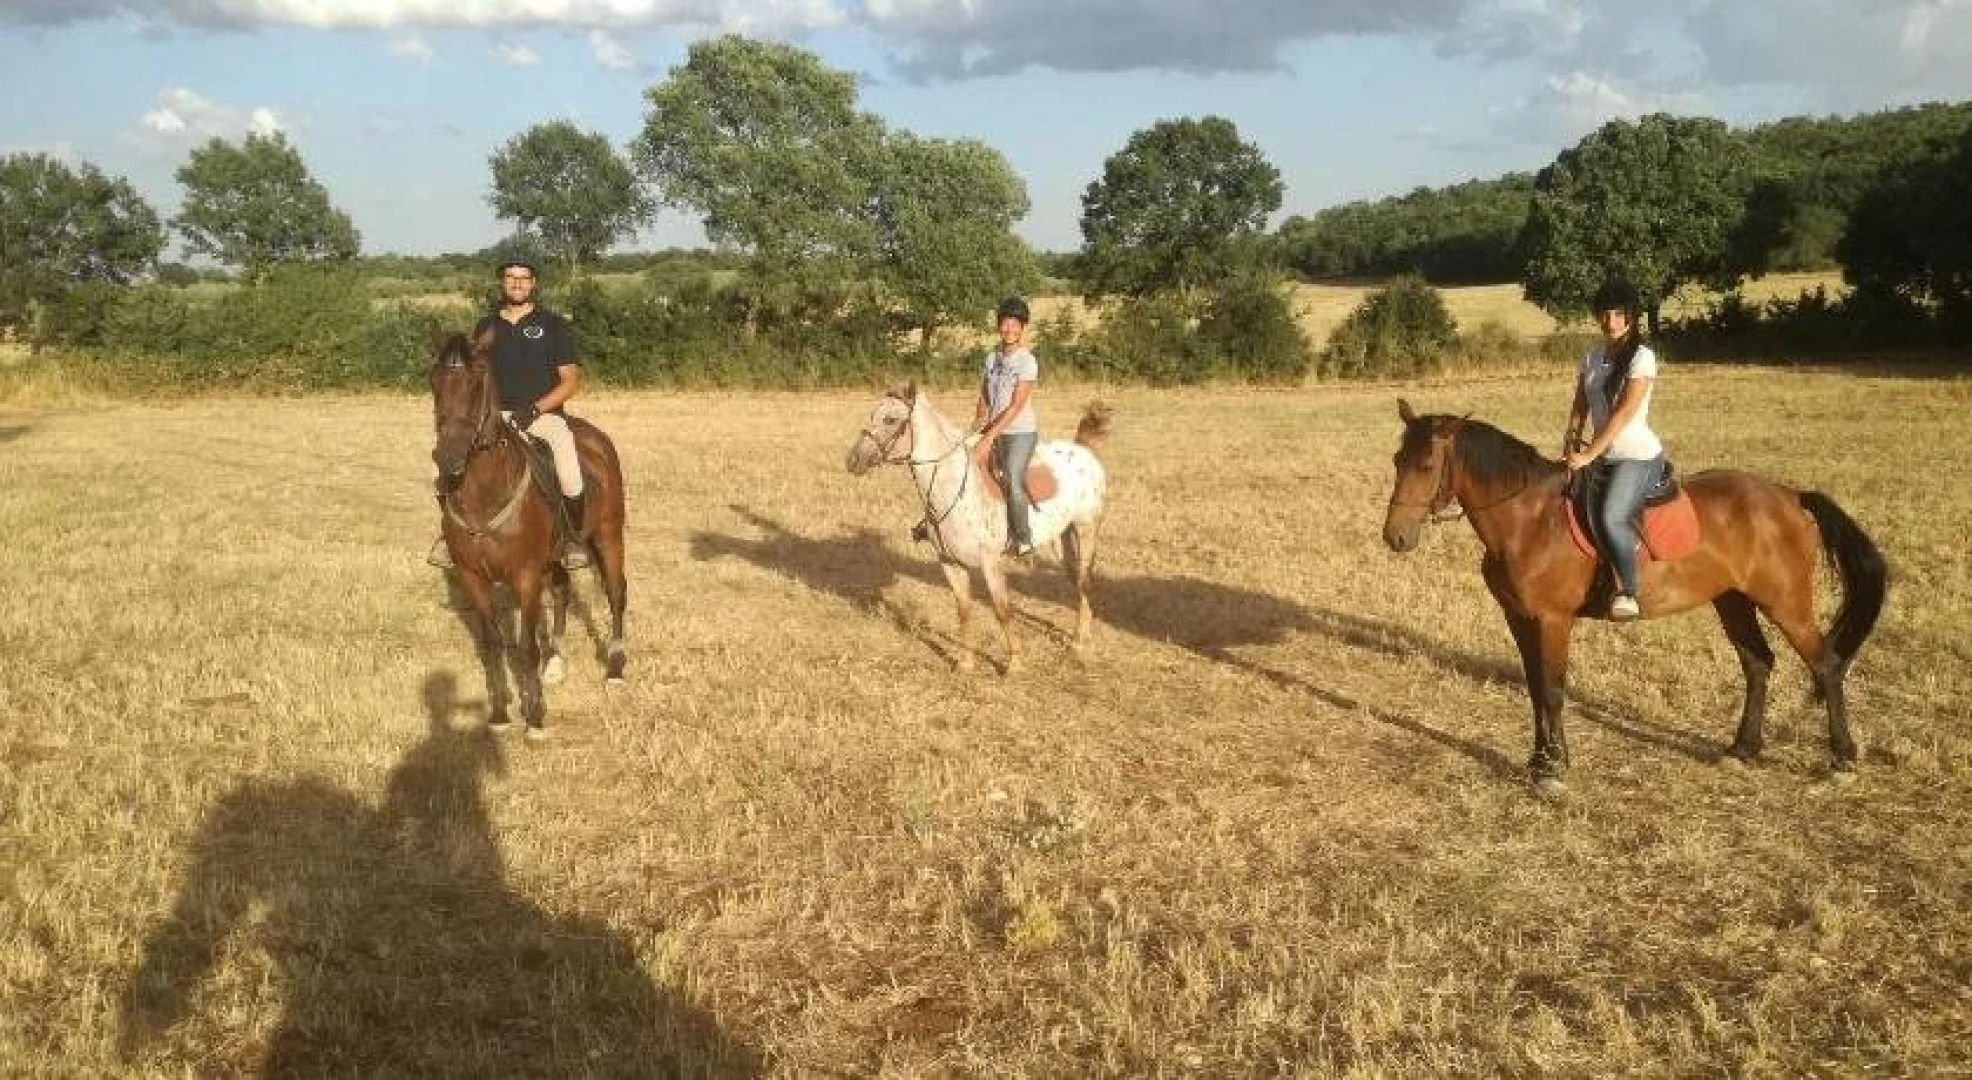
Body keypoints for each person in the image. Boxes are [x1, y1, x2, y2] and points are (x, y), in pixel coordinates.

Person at [428, 259, 589, 570]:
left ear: (533, 283)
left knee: (568, 469)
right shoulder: (485, 327)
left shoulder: (553, 325)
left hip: (543, 416)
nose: (517, 283)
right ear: (502, 283)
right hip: (494, 418)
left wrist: (535, 409)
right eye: (510, 277)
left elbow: (570, 381)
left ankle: (573, 538)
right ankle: (450, 536)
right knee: (440, 466)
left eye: (524, 278)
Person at [1562, 278, 1666, 623]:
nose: (1611, 321)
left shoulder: (1643, 358)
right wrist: (1570, 442)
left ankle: (1628, 591)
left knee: (1611, 515)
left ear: (1631, 316)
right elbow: (1580, 407)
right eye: (1605, 314)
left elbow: (1623, 415)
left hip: (1637, 456)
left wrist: (1589, 455)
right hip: (1601, 453)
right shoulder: (1592, 357)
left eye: (1619, 314)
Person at [974, 296, 1040, 557]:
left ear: (1023, 328)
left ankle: (1023, 539)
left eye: (1015, 324)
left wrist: (989, 437)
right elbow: (984, 393)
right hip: (992, 429)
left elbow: (1015, 407)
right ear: (998, 325)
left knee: (1012, 478)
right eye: (1005, 322)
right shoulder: (991, 358)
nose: (1009, 328)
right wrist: (977, 421)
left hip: (1019, 433)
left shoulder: (1027, 362)